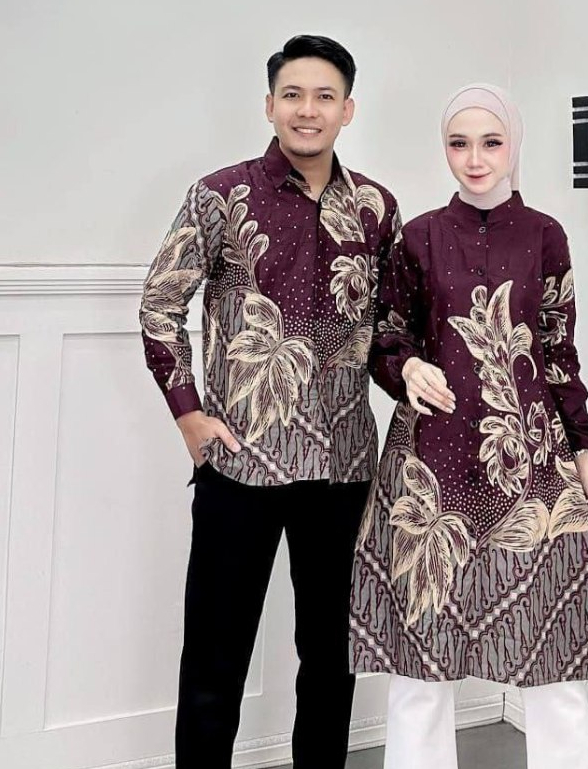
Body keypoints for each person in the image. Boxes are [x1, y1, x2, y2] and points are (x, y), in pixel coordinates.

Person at [139, 35, 399, 769]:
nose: (307, 110)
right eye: (293, 95)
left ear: (347, 110)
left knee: (331, 658)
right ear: (269, 105)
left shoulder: (377, 208)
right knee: (215, 658)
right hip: (240, 463)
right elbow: (160, 305)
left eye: (324, 97)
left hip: (343, 467)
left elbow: (390, 331)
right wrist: (189, 415)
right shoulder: (220, 195)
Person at [350, 84, 588, 769]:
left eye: (490, 142)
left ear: (513, 145)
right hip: (430, 469)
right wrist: (407, 367)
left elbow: (557, 353)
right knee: (420, 661)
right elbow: (387, 336)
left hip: (531, 467)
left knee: (552, 656)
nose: (474, 159)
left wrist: (585, 462)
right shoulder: (418, 237)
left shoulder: (546, 236)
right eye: (458, 143)